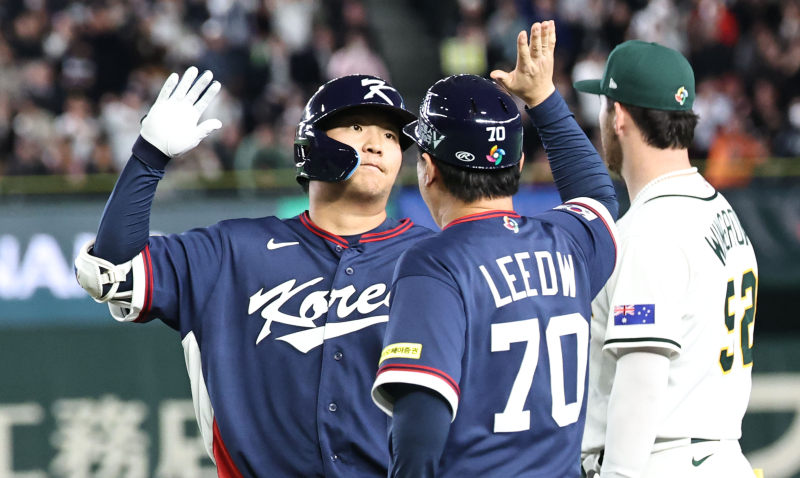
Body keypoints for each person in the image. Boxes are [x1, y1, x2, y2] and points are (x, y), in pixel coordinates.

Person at [74, 68, 432, 476]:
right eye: (356, 127)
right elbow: (110, 268)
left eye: (391, 136)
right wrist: (149, 156)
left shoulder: (433, 258)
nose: (376, 145)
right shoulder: (232, 251)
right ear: (311, 142)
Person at [371, 22, 619, 477]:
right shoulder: (565, 241)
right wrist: (543, 97)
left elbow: (421, 428)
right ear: (518, 164)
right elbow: (600, 198)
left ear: (428, 168)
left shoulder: (434, 265)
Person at [573, 40, 759, 478]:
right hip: (720, 457)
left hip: (661, 461)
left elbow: (641, 383)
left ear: (619, 115)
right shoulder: (718, 208)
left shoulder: (649, 231)